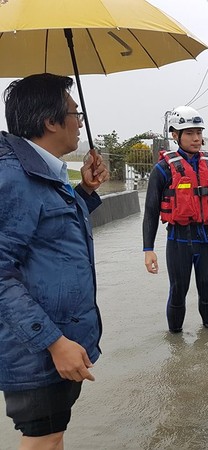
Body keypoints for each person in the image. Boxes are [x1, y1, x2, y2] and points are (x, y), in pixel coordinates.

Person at [0, 73, 109, 449]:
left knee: (51, 436)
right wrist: (53, 342)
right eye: (73, 112)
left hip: (55, 342)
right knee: (42, 440)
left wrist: (85, 192)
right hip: (38, 349)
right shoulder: (14, 177)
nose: (79, 121)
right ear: (50, 122)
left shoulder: (40, 171)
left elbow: (50, 231)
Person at [143, 106, 208, 332]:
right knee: (177, 291)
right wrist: (148, 249)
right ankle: (175, 344)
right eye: (190, 133)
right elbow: (151, 210)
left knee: (207, 289)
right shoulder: (162, 170)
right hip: (178, 242)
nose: (196, 138)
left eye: (199, 133)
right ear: (175, 135)